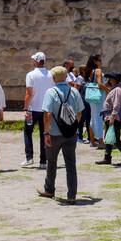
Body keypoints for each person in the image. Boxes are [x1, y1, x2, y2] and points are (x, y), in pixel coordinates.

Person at [37, 66, 81, 203]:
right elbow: (80, 112)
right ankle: (72, 195)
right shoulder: (74, 91)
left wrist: (46, 132)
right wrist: (73, 126)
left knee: (52, 162)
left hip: (54, 134)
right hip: (71, 134)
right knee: (71, 164)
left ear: (54, 78)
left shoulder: (51, 92)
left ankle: (49, 190)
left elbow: (48, 114)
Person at [22, 52, 55, 168]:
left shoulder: (30, 75)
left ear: (36, 61)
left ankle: (29, 157)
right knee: (44, 133)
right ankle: (43, 161)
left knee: (27, 132)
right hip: (46, 109)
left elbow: (28, 93)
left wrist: (26, 108)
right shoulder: (51, 74)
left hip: (33, 108)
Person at [98, 72, 121, 167]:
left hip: (113, 117)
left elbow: (116, 105)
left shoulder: (117, 91)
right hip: (109, 116)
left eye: (109, 79)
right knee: (108, 138)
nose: (108, 81)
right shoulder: (114, 90)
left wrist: (112, 117)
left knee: (115, 139)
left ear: (113, 80)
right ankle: (107, 157)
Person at [83, 56, 106, 149]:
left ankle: (92, 141)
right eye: (99, 60)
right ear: (95, 61)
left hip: (92, 96)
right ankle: (100, 141)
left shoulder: (90, 71)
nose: (101, 62)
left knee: (93, 118)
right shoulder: (98, 71)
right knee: (99, 118)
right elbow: (100, 84)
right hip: (99, 97)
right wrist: (108, 89)